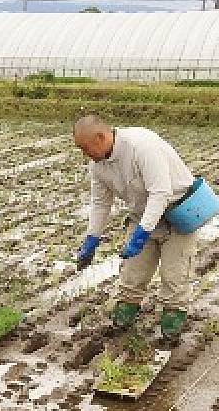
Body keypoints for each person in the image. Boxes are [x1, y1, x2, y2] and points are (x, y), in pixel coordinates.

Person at [73, 114, 200, 340]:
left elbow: (161, 192)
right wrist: (91, 239)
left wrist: (141, 235)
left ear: (100, 138)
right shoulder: (98, 166)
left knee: (174, 275)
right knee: (132, 273)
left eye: (85, 148)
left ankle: (171, 326)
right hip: (142, 214)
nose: (85, 154)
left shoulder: (141, 146)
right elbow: (101, 203)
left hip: (178, 211)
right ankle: (124, 315)